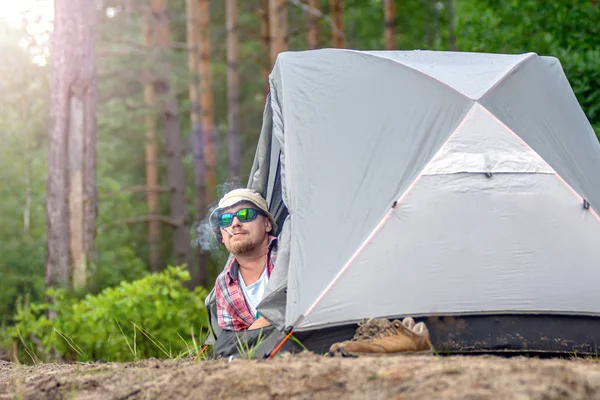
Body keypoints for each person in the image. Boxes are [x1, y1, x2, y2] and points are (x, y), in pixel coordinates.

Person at [212, 188, 278, 331]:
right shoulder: (223, 284)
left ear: (267, 224)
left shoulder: (288, 253)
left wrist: (266, 320)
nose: (235, 223)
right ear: (223, 238)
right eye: (226, 219)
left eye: (245, 214)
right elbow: (233, 340)